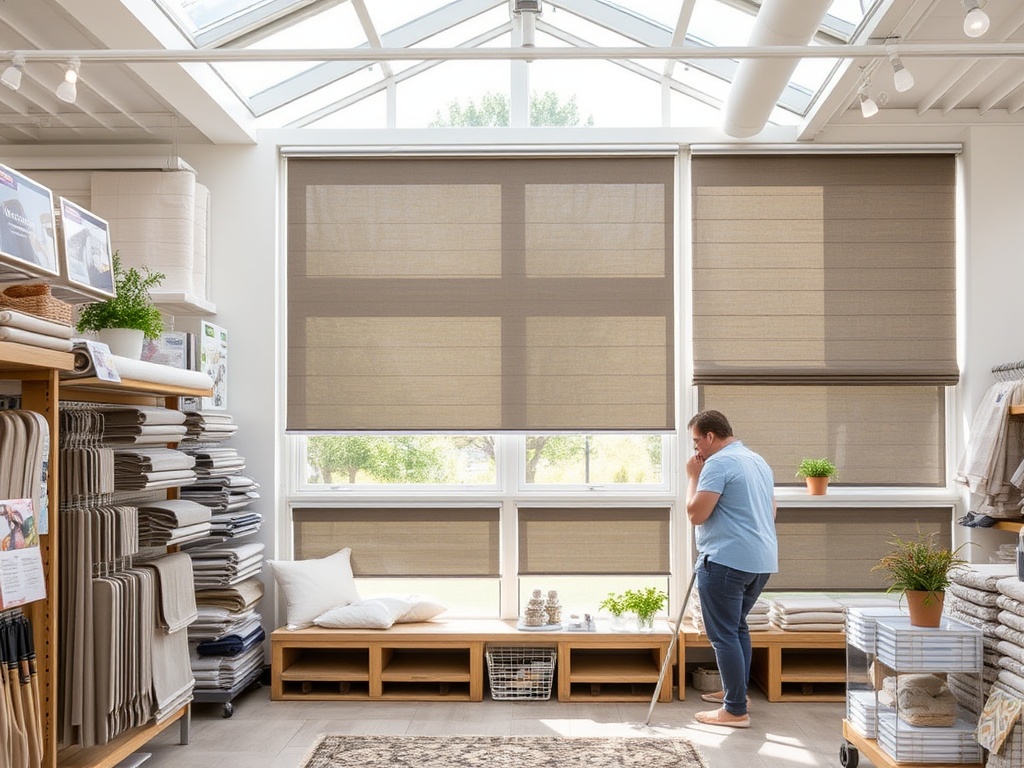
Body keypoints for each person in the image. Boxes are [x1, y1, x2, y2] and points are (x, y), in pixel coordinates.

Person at [685, 409, 777, 729]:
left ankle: (735, 710)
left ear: (711, 436)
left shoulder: (718, 463)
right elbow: (771, 512)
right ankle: (736, 694)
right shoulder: (757, 461)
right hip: (760, 562)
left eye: (697, 441)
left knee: (723, 635)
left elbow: (696, 514)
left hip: (726, 561)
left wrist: (693, 477)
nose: (696, 449)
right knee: (737, 628)